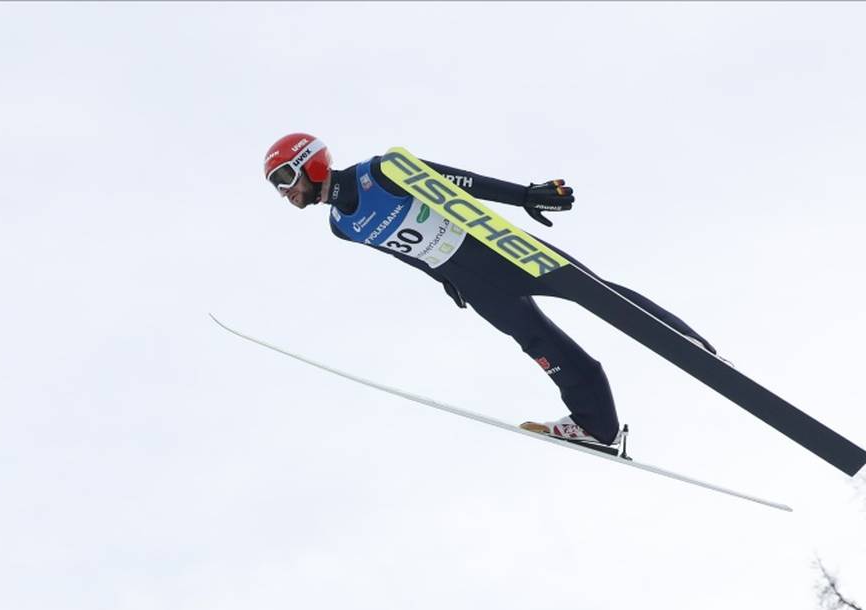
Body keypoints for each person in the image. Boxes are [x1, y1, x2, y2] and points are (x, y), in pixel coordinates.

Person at [263, 132, 717, 455]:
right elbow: (402, 252)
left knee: (594, 292)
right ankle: (597, 426)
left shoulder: (379, 173)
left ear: (311, 161)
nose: (285, 193)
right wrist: (444, 280)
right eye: (277, 186)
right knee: (538, 342)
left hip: (489, 248)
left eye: (285, 177)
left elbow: (457, 182)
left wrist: (524, 195)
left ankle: (691, 345)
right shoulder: (341, 227)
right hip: (469, 279)